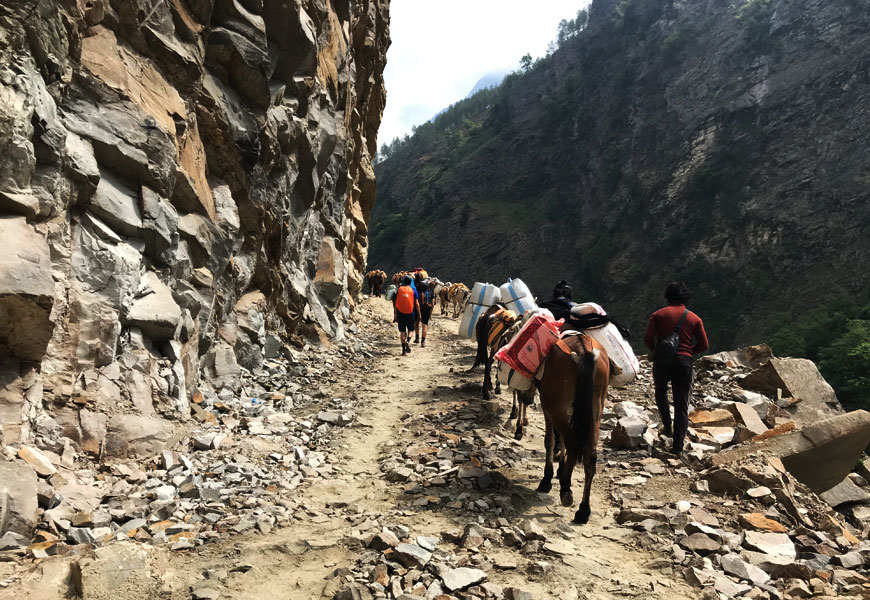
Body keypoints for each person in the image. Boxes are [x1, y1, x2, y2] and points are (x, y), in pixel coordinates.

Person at [643, 282, 709, 454]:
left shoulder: (658, 315)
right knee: (681, 403)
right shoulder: (695, 318)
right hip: (684, 363)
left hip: (662, 361)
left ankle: (667, 425)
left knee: (660, 391)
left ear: (667, 296)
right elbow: (704, 344)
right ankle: (678, 446)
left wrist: (657, 350)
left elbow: (648, 338)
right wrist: (687, 352)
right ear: (686, 298)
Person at [394, 276, 421, 355]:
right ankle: (408, 341)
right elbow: (416, 303)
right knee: (411, 330)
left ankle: (403, 351)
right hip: (410, 313)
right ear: (411, 282)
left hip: (401, 313)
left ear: (403, 282)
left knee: (402, 331)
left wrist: (395, 314)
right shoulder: (414, 291)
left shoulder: (399, 289)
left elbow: (396, 303)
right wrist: (419, 314)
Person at [418, 280, 435, 347]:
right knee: (424, 325)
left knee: (416, 323)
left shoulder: (418, 292)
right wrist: (430, 312)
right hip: (427, 309)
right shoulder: (430, 292)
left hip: (419, 308)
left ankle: (416, 337)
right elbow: (433, 303)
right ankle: (423, 341)